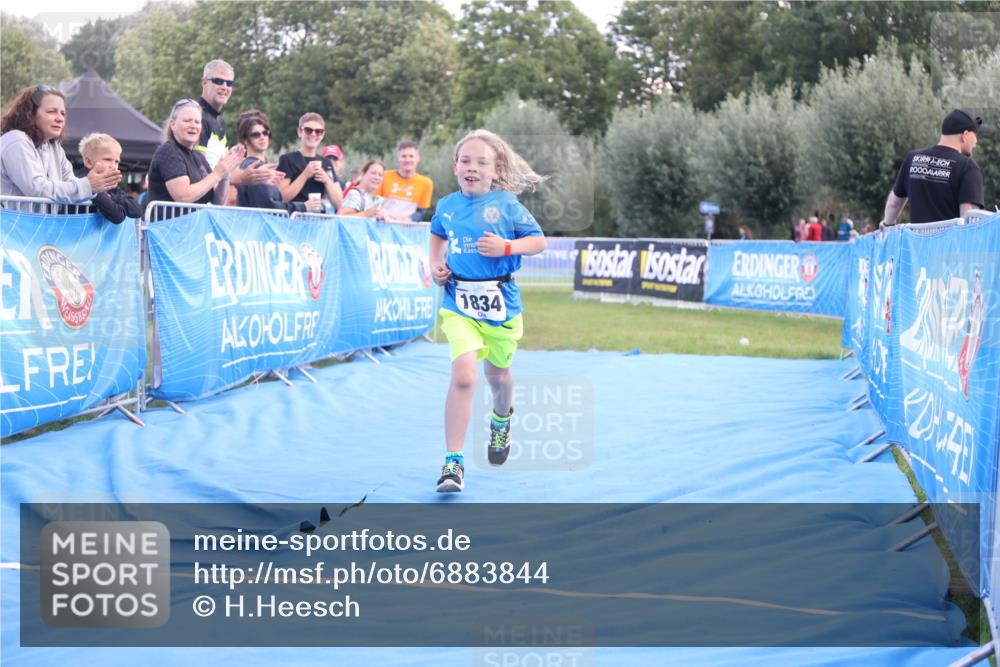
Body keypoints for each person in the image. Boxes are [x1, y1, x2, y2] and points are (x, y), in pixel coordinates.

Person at [429, 129, 547, 493]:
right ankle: (453, 462)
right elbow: (437, 234)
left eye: (482, 162)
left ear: (495, 171)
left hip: (501, 306)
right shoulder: (447, 205)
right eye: (466, 160)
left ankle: (501, 420)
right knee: (464, 376)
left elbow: (539, 242)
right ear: (455, 167)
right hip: (458, 302)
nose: (472, 167)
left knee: (498, 378)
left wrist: (507, 246)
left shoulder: (507, 204)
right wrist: (435, 265)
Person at [1, 84, 118, 201]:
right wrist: (88, 185)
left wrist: (96, 188)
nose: (60, 118)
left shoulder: (55, 147)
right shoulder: (16, 140)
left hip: (42, 219)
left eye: (63, 113)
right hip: (13, 219)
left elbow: (70, 183)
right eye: (52, 111)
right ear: (30, 114)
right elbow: (36, 188)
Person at [880, 108, 991, 227]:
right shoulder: (968, 167)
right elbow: (969, 219)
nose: (976, 141)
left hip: (916, 244)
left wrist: (887, 224)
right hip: (949, 245)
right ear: (965, 135)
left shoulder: (913, 159)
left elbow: (893, 204)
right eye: (975, 135)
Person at [146, 99, 244, 216]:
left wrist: (225, 174)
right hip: (170, 230)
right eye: (187, 121)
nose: (193, 126)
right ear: (173, 124)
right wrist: (217, 174)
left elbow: (219, 202)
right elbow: (183, 196)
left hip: (196, 230)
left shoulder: (199, 157)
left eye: (197, 122)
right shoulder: (168, 151)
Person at [196, 59, 274, 186]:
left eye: (229, 83)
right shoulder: (197, 116)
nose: (224, 87)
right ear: (204, 82)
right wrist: (242, 177)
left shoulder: (219, 120)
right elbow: (198, 169)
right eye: (218, 81)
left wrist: (256, 175)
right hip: (197, 202)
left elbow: (220, 168)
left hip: (211, 199)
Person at [231, 110, 313, 213]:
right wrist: (303, 207)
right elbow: (269, 207)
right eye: (255, 134)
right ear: (245, 140)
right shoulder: (254, 167)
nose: (262, 137)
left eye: (265, 133)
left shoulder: (253, 165)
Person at [278, 112, 343, 212]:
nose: (313, 134)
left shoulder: (326, 163)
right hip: (293, 220)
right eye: (308, 130)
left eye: (318, 131)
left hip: (317, 220)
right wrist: (305, 175)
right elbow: (282, 197)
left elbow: (339, 203)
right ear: (300, 132)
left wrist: (326, 180)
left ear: (322, 135)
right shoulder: (287, 160)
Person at [79, 133, 141, 224]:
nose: (113, 166)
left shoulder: (110, 183)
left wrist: (111, 197)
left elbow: (137, 211)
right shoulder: (84, 180)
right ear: (88, 162)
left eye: (116, 162)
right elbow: (118, 216)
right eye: (107, 159)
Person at [376, 140, 434, 221]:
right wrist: (380, 214)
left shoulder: (426, 183)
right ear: (398, 158)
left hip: (407, 229)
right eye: (404, 156)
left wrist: (407, 219)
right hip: (383, 225)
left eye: (411, 156)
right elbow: (374, 203)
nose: (407, 160)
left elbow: (421, 212)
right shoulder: (384, 176)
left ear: (418, 158)